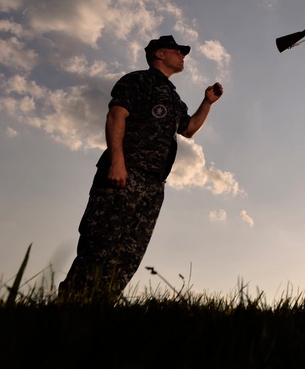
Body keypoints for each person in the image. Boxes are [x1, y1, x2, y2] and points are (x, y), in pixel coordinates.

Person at [59, 35, 224, 300]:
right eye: (177, 50)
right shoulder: (137, 81)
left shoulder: (172, 96)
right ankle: (67, 309)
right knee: (100, 245)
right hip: (124, 174)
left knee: (128, 255)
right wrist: (117, 162)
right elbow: (116, 115)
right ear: (159, 54)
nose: (183, 55)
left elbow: (189, 129)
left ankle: (97, 311)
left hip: (153, 185)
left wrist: (207, 102)